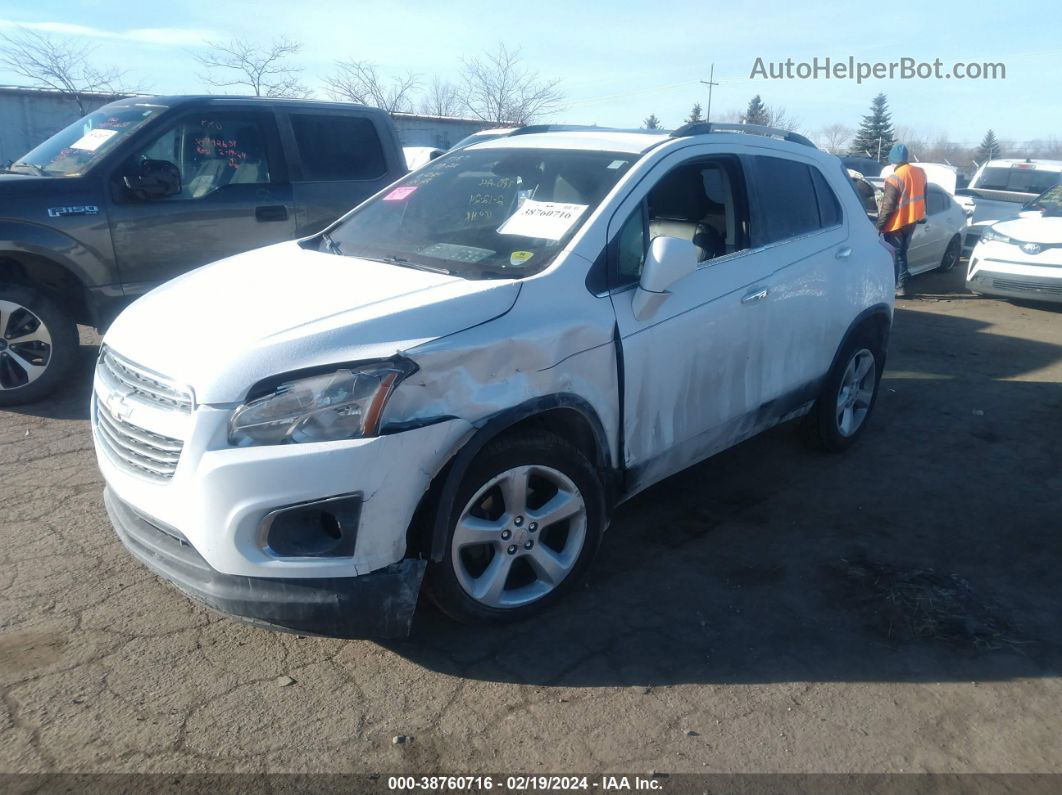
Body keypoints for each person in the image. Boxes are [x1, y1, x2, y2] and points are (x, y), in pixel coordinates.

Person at [876, 144, 927, 296]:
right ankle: (903, 281)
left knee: (896, 255)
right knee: (902, 253)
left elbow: (888, 206)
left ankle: (899, 287)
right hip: (912, 219)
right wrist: (923, 214)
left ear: (893, 161)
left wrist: (878, 227)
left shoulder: (895, 178)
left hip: (896, 222)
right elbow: (924, 196)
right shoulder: (920, 173)